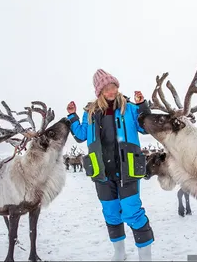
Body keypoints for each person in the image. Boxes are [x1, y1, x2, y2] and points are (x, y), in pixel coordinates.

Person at [66, 69, 154, 261]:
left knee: (132, 212)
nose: (111, 91)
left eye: (113, 86)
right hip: (102, 173)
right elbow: (81, 135)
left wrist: (142, 106)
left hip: (127, 169)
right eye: (106, 88)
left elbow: (145, 127)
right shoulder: (90, 112)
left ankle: (145, 257)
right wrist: (72, 116)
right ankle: (119, 253)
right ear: (99, 92)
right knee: (111, 214)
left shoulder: (129, 108)